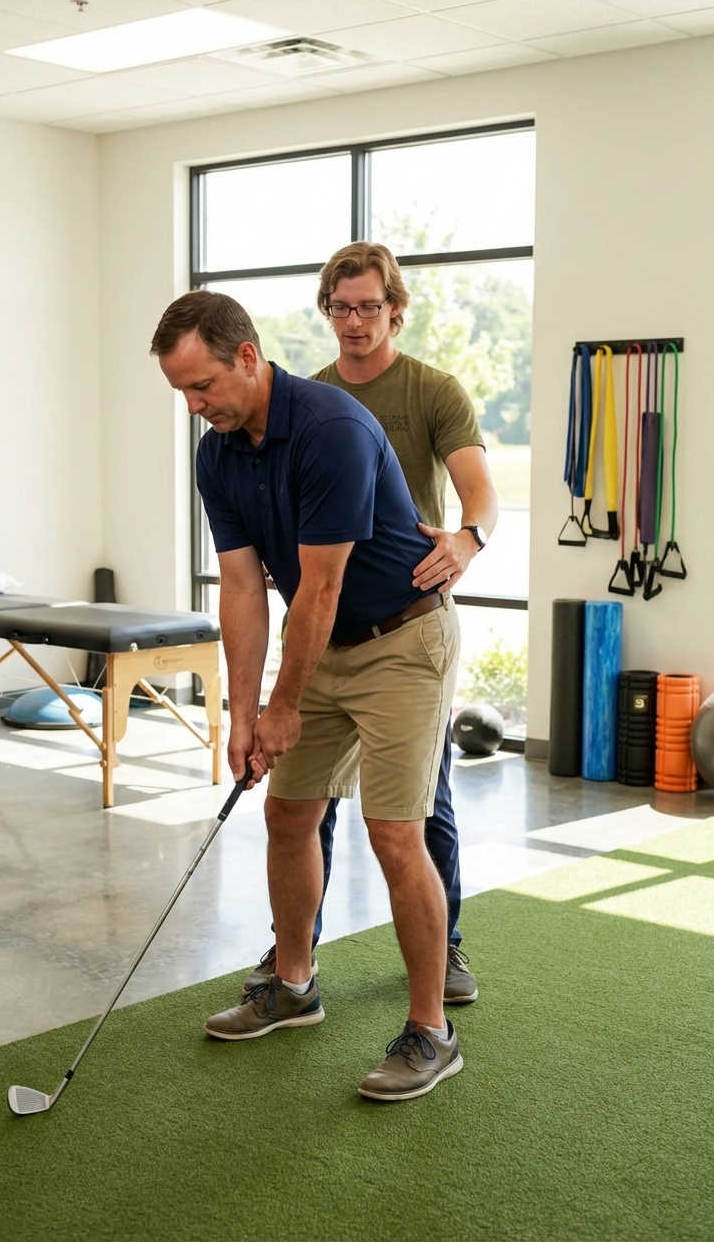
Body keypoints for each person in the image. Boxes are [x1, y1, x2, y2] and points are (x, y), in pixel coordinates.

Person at [152, 289, 463, 1102]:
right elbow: (244, 586)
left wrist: (283, 707)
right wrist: (243, 712)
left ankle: (432, 1029)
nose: (194, 406)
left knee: (396, 832)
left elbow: (319, 588)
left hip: (402, 640)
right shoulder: (217, 452)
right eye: (181, 391)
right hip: (320, 647)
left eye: (203, 386)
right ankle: (293, 985)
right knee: (288, 813)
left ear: (248, 357)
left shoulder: (330, 429)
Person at [243, 242, 498, 1004]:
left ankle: (444, 944)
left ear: (395, 308)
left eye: (369, 307)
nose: (355, 321)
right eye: (341, 308)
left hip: (404, 619)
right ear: (327, 311)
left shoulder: (431, 391)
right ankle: (295, 959)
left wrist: (468, 538)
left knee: (422, 810)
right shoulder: (311, 399)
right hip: (322, 627)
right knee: (300, 807)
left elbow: (480, 490)